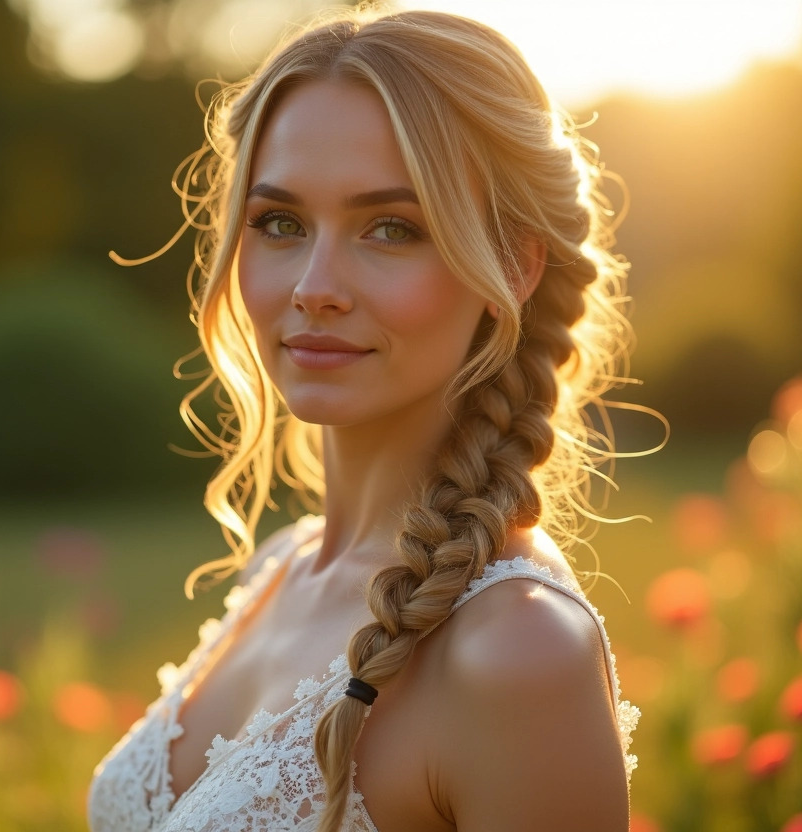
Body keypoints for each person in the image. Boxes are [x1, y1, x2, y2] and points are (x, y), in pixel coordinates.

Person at [89, 7, 641, 831]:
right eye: (280, 223)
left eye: (391, 228)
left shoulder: (517, 653)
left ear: (513, 267)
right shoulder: (278, 569)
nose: (315, 285)